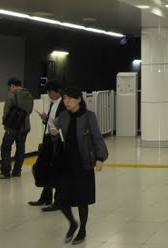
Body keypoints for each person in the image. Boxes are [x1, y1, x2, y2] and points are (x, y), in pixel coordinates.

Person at [50, 85, 109, 244]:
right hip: (65, 162)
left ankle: (82, 229)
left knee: (82, 199)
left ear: (79, 100)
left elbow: (97, 137)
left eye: (70, 99)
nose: (67, 102)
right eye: (65, 99)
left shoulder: (89, 116)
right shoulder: (63, 116)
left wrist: (100, 157)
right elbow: (54, 129)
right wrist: (53, 133)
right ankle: (72, 223)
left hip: (83, 162)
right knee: (61, 199)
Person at [28, 80, 66, 211]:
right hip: (48, 139)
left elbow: (64, 124)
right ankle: (45, 197)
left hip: (57, 141)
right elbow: (53, 122)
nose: (49, 94)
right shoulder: (53, 103)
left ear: (57, 91)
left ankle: (58, 200)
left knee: (55, 170)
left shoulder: (64, 104)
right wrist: (46, 120)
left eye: (50, 92)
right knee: (44, 167)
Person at [0, 77, 33, 179]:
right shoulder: (29, 95)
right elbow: (30, 110)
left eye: (9, 87)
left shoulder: (11, 96)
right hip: (25, 127)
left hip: (12, 127)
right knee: (20, 149)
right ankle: (17, 171)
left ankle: (5, 172)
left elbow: (6, 112)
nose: (9, 89)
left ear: (12, 85)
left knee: (5, 149)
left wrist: (5, 123)